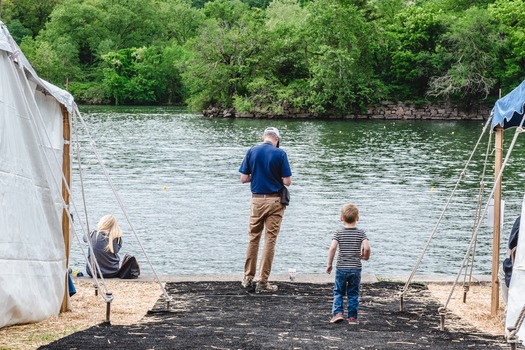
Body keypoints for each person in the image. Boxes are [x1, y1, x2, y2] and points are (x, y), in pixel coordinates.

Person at [239, 127, 292, 293]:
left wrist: (258, 175)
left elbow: (243, 178)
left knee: (253, 238)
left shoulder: (252, 151)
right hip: (275, 201)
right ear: (276, 139)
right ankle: (262, 282)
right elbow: (287, 181)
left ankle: (248, 279)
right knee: (270, 240)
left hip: (256, 200)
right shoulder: (280, 154)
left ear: (264, 137)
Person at [327, 204, 371, 324]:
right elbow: (366, 247)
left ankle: (338, 313)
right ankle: (352, 317)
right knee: (353, 293)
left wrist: (329, 264)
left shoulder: (338, 233)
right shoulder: (361, 233)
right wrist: (365, 257)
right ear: (358, 218)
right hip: (355, 268)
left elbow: (332, 248)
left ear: (341, 218)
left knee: (338, 292)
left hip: (341, 267)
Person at [500, 215, 520, 305]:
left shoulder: (521, 220)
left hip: (519, 272)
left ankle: (509, 308)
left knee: (502, 271)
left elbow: (511, 247)